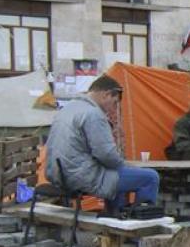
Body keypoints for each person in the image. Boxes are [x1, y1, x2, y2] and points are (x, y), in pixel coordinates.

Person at [45, 75, 159, 214]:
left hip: (59, 174)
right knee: (150, 177)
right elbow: (105, 154)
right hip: (80, 176)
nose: (113, 108)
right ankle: (139, 223)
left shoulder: (68, 109)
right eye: (114, 102)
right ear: (106, 95)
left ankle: (114, 219)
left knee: (115, 178)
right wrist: (126, 165)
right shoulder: (94, 114)